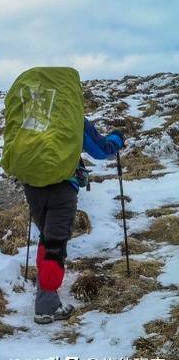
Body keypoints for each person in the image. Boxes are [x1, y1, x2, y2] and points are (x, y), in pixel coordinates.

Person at [27, 121, 125, 324]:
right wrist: (117, 138)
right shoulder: (70, 115)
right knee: (55, 246)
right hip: (62, 188)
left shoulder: (31, 114)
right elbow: (101, 150)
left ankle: (45, 294)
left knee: (46, 238)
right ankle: (46, 308)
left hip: (32, 186)